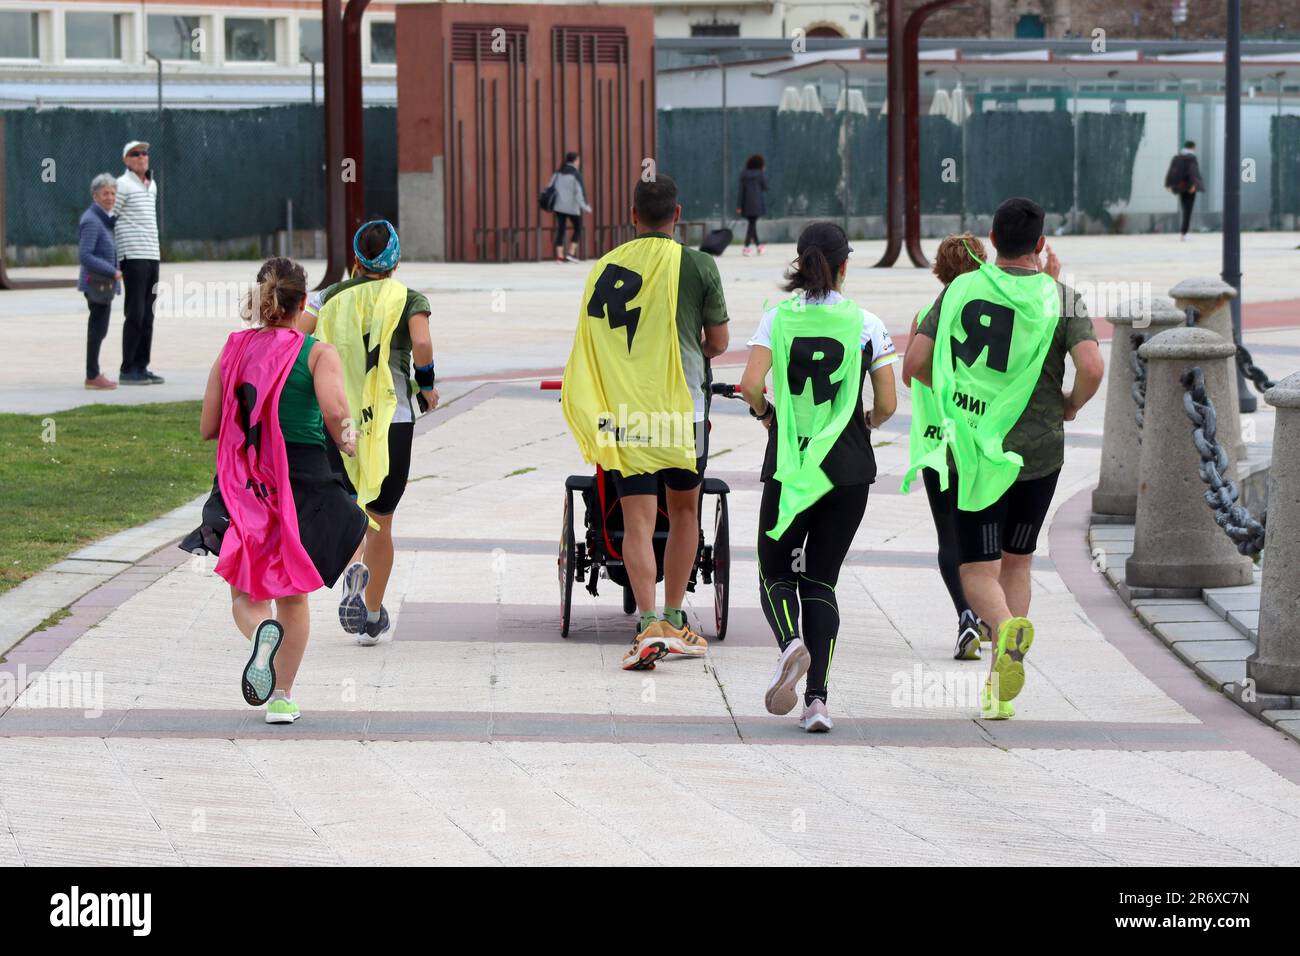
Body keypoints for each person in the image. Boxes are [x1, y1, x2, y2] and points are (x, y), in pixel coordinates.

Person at [902, 197, 1104, 720]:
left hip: (974, 451)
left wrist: (952, 393)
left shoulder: (958, 290)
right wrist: (1071, 404)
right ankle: (998, 686)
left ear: (991, 238)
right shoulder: (1064, 298)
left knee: (976, 570)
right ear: (1041, 244)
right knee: (1018, 561)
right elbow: (1092, 367)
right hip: (1039, 451)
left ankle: (1005, 631)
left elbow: (916, 363)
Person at [187, 257, 368, 724]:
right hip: (302, 477)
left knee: (246, 592)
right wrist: (348, 438)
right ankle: (282, 698)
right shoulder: (316, 352)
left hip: (244, 477)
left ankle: (259, 633)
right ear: (303, 302)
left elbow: (208, 426)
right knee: (295, 594)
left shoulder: (232, 349)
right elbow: (335, 411)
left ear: (260, 299)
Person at [561, 173, 730, 670]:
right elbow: (718, 341)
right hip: (683, 411)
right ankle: (676, 617)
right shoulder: (698, 265)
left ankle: (646, 621)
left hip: (627, 412)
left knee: (636, 520)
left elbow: (594, 341)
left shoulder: (605, 267)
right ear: (677, 215)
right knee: (683, 513)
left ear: (633, 216)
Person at [739, 222, 898, 733]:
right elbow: (889, 403)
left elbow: (748, 386)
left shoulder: (777, 319)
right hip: (848, 468)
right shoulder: (867, 324)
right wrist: (864, 424)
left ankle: (790, 644)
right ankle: (817, 703)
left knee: (774, 570)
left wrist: (767, 416)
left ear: (800, 262)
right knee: (821, 579)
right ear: (845, 265)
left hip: (792, 462)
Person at [302, 219, 438, 646]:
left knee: (348, 505)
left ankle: (352, 567)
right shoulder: (409, 298)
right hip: (391, 421)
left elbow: (296, 337)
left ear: (356, 259)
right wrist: (427, 383)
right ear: (395, 259)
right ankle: (373, 614)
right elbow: (423, 344)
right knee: (382, 516)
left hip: (340, 419)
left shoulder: (327, 297)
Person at [902, 234, 989, 662]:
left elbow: (909, 374)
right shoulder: (992, 315)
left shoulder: (925, 314)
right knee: (984, 530)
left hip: (937, 442)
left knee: (948, 534)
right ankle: (991, 611)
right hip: (981, 440)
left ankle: (966, 616)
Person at [114, 140, 164, 385]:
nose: (142, 157)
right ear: (126, 160)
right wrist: (115, 258)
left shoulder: (151, 184)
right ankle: (128, 368)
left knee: (149, 313)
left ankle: (142, 366)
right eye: (135, 154)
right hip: (132, 256)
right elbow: (111, 218)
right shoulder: (121, 185)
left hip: (152, 254)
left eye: (145, 152)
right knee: (135, 312)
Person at [78, 173, 121, 390]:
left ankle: (93, 373)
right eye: (105, 193)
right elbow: (85, 255)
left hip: (103, 284)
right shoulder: (92, 220)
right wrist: (113, 272)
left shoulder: (104, 219)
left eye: (113, 192)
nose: (110, 197)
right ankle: (92, 375)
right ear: (95, 196)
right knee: (97, 329)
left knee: (100, 329)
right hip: (96, 284)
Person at [549, 152, 591, 263]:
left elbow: (550, 187)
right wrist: (585, 206)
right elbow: (579, 192)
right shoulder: (575, 174)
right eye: (578, 160)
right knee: (578, 227)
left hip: (559, 206)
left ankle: (559, 256)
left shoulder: (558, 173)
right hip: (572, 207)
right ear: (575, 161)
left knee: (561, 229)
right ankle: (571, 253)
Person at [1164, 140, 1205, 241]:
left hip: (1180, 187)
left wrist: (1169, 184)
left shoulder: (1177, 158)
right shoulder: (1192, 158)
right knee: (1188, 210)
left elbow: (1171, 171)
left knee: (1184, 208)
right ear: (1193, 147)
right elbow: (1193, 172)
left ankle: (1184, 232)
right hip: (1190, 187)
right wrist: (1193, 185)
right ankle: (1184, 233)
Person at [735, 154, 768, 256]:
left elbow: (741, 191)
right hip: (757, 204)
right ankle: (746, 247)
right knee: (752, 225)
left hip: (746, 205)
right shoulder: (760, 174)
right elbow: (765, 187)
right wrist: (763, 173)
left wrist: (739, 206)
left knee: (752, 224)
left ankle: (758, 246)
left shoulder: (743, 174)